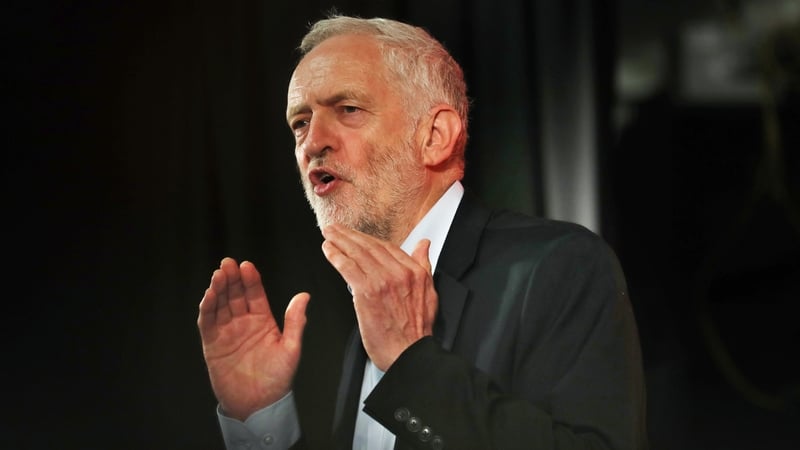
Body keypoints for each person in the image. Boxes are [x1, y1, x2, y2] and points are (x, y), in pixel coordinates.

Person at [198, 14, 647, 450]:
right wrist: (261, 417)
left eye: (348, 109)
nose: (313, 142)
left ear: (435, 136)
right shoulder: (360, 297)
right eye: (300, 122)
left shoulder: (559, 265)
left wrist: (412, 364)